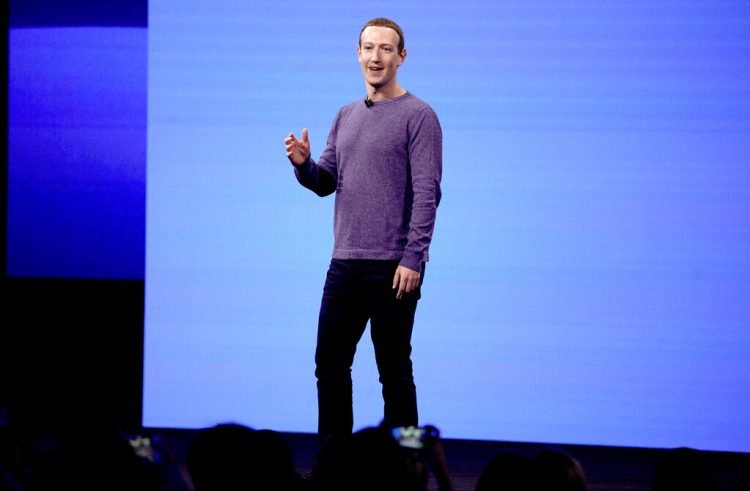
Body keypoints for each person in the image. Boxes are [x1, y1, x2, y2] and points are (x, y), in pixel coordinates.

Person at [284, 17, 443, 444]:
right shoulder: (345, 115)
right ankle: (333, 464)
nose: (376, 57)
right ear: (358, 54)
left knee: (394, 372)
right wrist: (303, 165)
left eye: (386, 49)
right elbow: (326, 182)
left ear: (401, 57)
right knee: (330, 366)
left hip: (394, 267)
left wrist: (414, 258)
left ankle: (408, 467)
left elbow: (428, 192)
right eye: (368, 48)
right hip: (345, 263)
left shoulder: (419, 116)